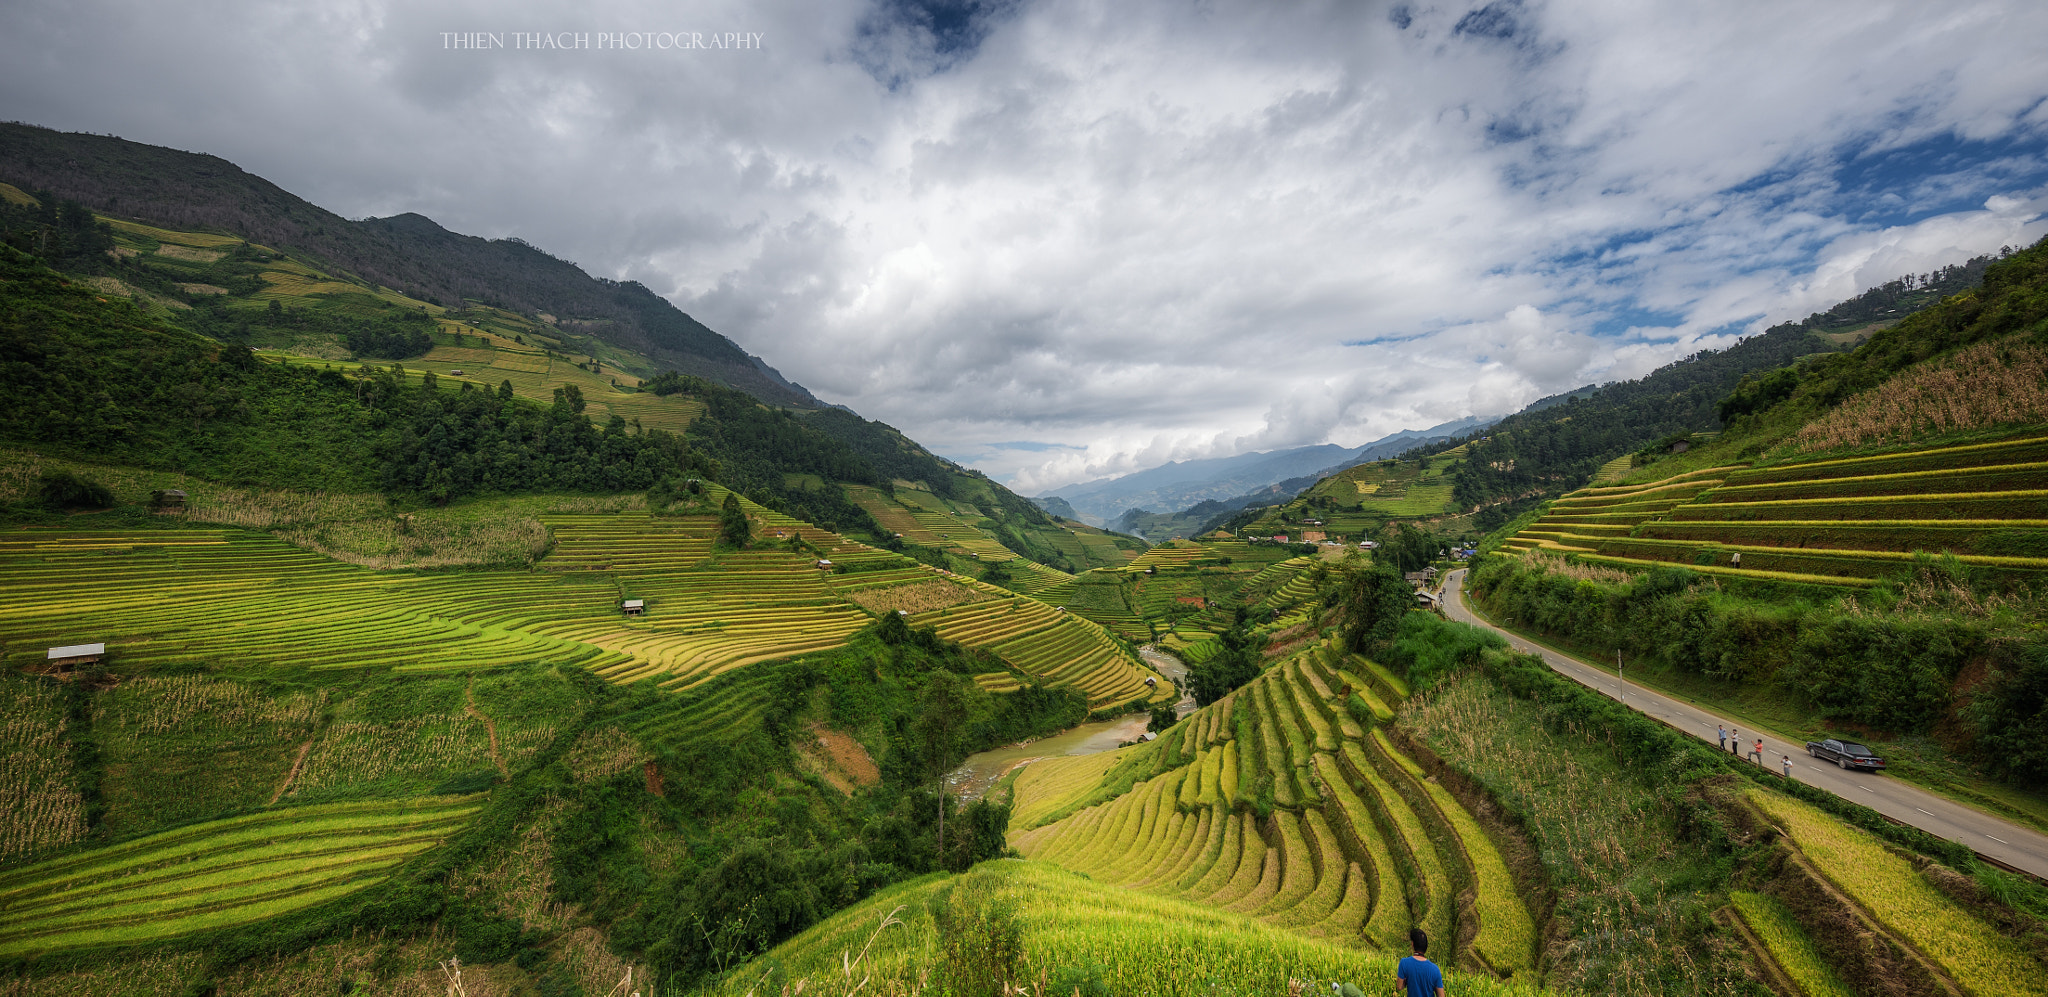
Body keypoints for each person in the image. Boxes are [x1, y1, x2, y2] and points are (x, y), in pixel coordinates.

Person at [1396, 927, 1446, 997]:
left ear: (1412, 944)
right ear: (1426, 947)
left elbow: (1399, 987)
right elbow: (1441, 995)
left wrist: (1408, 980)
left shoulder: (1404, 963)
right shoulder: (1435, 969)